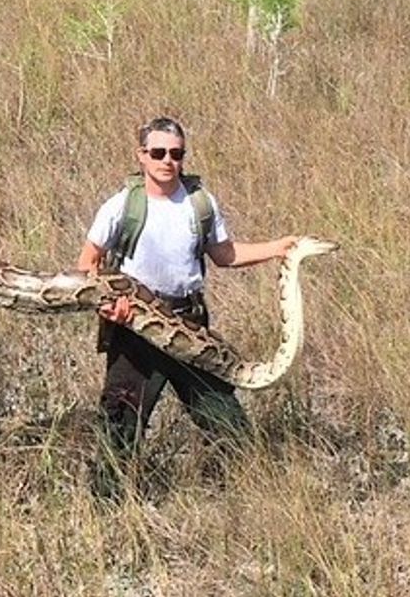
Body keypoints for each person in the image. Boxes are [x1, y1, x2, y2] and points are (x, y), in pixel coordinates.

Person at [76, 116, 297, 495]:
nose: (167, 161)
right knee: (121, 425)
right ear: (141, 156)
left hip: (189, 325)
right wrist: (110, 306)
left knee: (225, 418)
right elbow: (88, 262)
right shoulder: (121, 206)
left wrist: (278, 248)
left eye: (176, 154)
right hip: (135, 330)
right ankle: (108, 509)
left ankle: (250, 493)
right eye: (158, 153)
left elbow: (224, 254)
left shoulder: (199, 203)